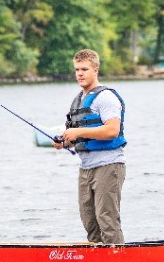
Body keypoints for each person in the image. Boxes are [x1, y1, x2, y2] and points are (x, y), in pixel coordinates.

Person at [53, 49, 127, 244]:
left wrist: (78, 133)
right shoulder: (78, 101)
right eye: (77, 69)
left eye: (84, 69)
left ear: (96, 70)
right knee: (89, 221)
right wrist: (64, 141)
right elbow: (76, 135)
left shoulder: (106, 97)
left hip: (108, 165)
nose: (79, 73)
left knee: (107, 219)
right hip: (86, 168)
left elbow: (112, 130)